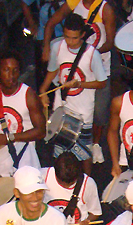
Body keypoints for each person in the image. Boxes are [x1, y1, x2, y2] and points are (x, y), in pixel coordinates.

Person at [42, 0, 116, 162]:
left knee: (99, 113)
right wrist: (46, 46)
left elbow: (110, 42)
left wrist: (88, 55)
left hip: (100, 69)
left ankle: (95, 144)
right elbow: (51, 23)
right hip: (75, 67)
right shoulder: (73, 3)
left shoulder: (106, 9)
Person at [0, 49, 46, 180]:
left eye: (15, 70)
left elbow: (41, 131)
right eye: (6, 70)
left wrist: (9, 138)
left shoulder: (28, 95)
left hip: (25, 165)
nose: (11, 75)